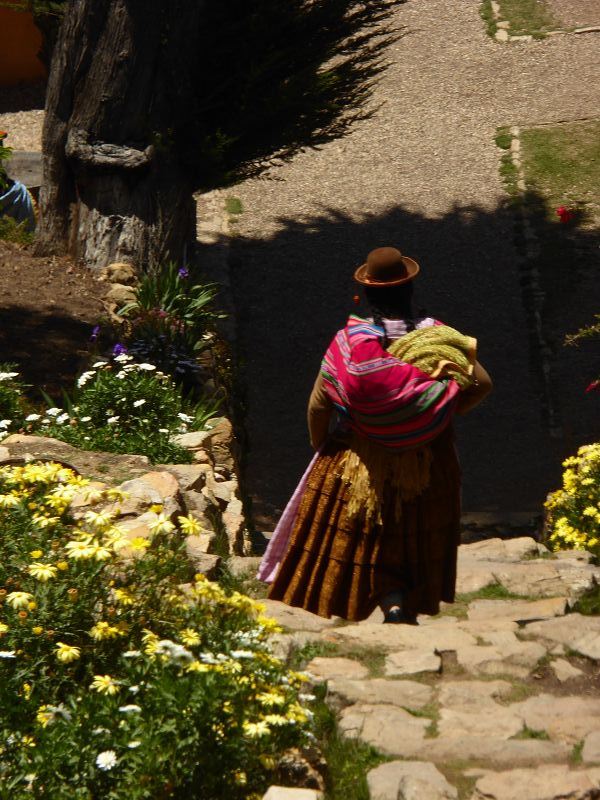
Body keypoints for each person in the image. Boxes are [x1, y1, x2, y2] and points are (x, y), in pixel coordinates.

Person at [258, 247, 492, 623]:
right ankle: (405, 600)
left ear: (367, 293)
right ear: (410, 289)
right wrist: (438, 412)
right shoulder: (437, 336)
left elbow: (319, 404)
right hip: (426, 457)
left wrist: (323, 446)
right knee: (413, 530)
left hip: (360, 457)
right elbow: (481, 383)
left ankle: (380, 598)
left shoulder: (351, 342)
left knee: (366, 531)